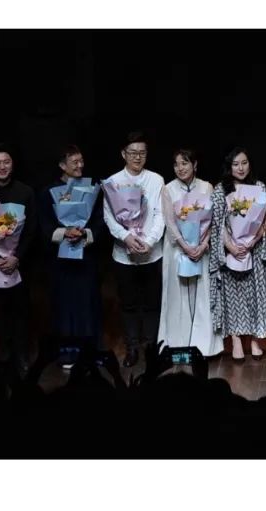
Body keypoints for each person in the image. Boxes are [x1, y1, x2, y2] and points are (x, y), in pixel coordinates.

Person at [37, 145, 106, 373]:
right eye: (74, 162)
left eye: (81, 161)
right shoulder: (49, 191)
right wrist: (64, 232)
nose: (80, 165)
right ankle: (68, 351)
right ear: (62, 165)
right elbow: (44, 224)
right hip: (61, 261)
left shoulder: (92, 189)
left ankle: (91, 352)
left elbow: (100, 220)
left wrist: (84, 233)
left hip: (86, 257)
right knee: (64, 305)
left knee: (88, 303)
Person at [102, 131, 165, 368]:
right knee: (128, 303)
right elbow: (109, 217)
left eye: (142, 153)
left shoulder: (156, 180)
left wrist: (149, 241)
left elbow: (160, 214)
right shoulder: (113, 181)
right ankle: (131, 348)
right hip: (123, 255)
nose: (137, 157)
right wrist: (126, 237)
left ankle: (150, 348)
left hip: (152, 253)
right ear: (123, 154)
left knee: (151, 303)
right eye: (133, 152)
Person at [208, 147, 266, 361]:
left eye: (244, 163)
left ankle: (255, 340)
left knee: (256, 295)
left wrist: (252, 241)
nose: (240, 168)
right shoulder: (220, 190)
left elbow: (265, 219)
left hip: (254, 250)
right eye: (235, 164)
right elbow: (216, 223)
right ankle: (236, 340)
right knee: (233, 297)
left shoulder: (259, 186)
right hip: (230, 251)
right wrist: (230, 245)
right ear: (229, 166)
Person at [158, 148, 223, 357]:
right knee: (178, 296)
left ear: (194, 165)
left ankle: (203, 347)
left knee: (202, 295)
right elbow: (169, 222)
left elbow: (212, 220)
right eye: (176, 164)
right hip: (178, 249)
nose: (180, 168)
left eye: (185, 163)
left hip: (201, 248)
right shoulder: (168, 189)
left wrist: (202, 245)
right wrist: (185, 246)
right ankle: (178, 346)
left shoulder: (206, 187)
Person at [0, 144, 37, 377]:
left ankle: (22, 354)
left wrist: (16, 257)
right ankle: (3, 355)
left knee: (21, 310)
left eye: (6, 162)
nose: (2, 166)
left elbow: (31, 229)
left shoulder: (26, 192)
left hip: (19, 262)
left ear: (12, 164)